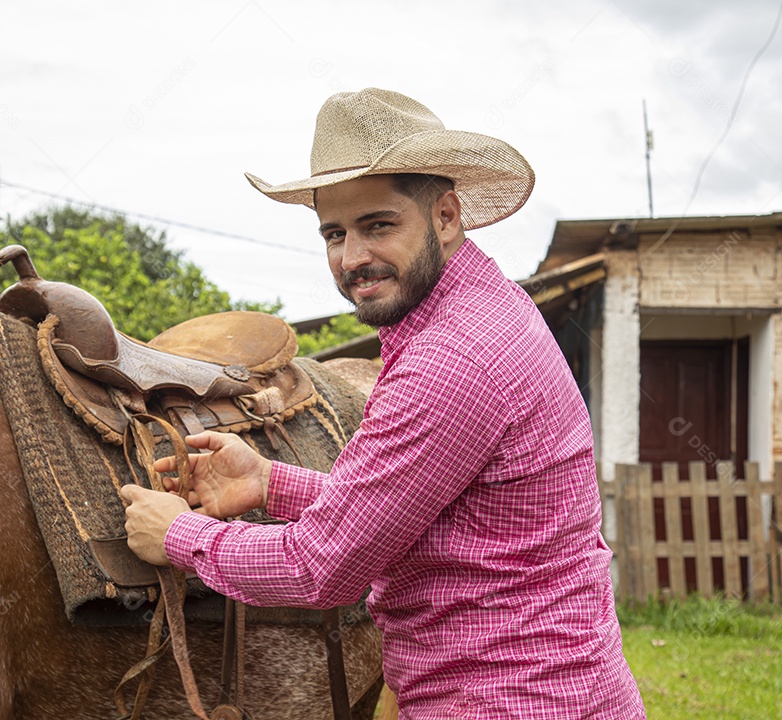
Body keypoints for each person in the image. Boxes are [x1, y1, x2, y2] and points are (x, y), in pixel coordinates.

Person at [120, 88, 645, 719]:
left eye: (378, 226)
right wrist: (268, 481)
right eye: (334, 233)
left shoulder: (449, 363)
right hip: (567, 688)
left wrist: (178, 535)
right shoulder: (486, 308)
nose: (351, 258)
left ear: (446, 217)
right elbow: (433, 521)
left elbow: (321, 568)